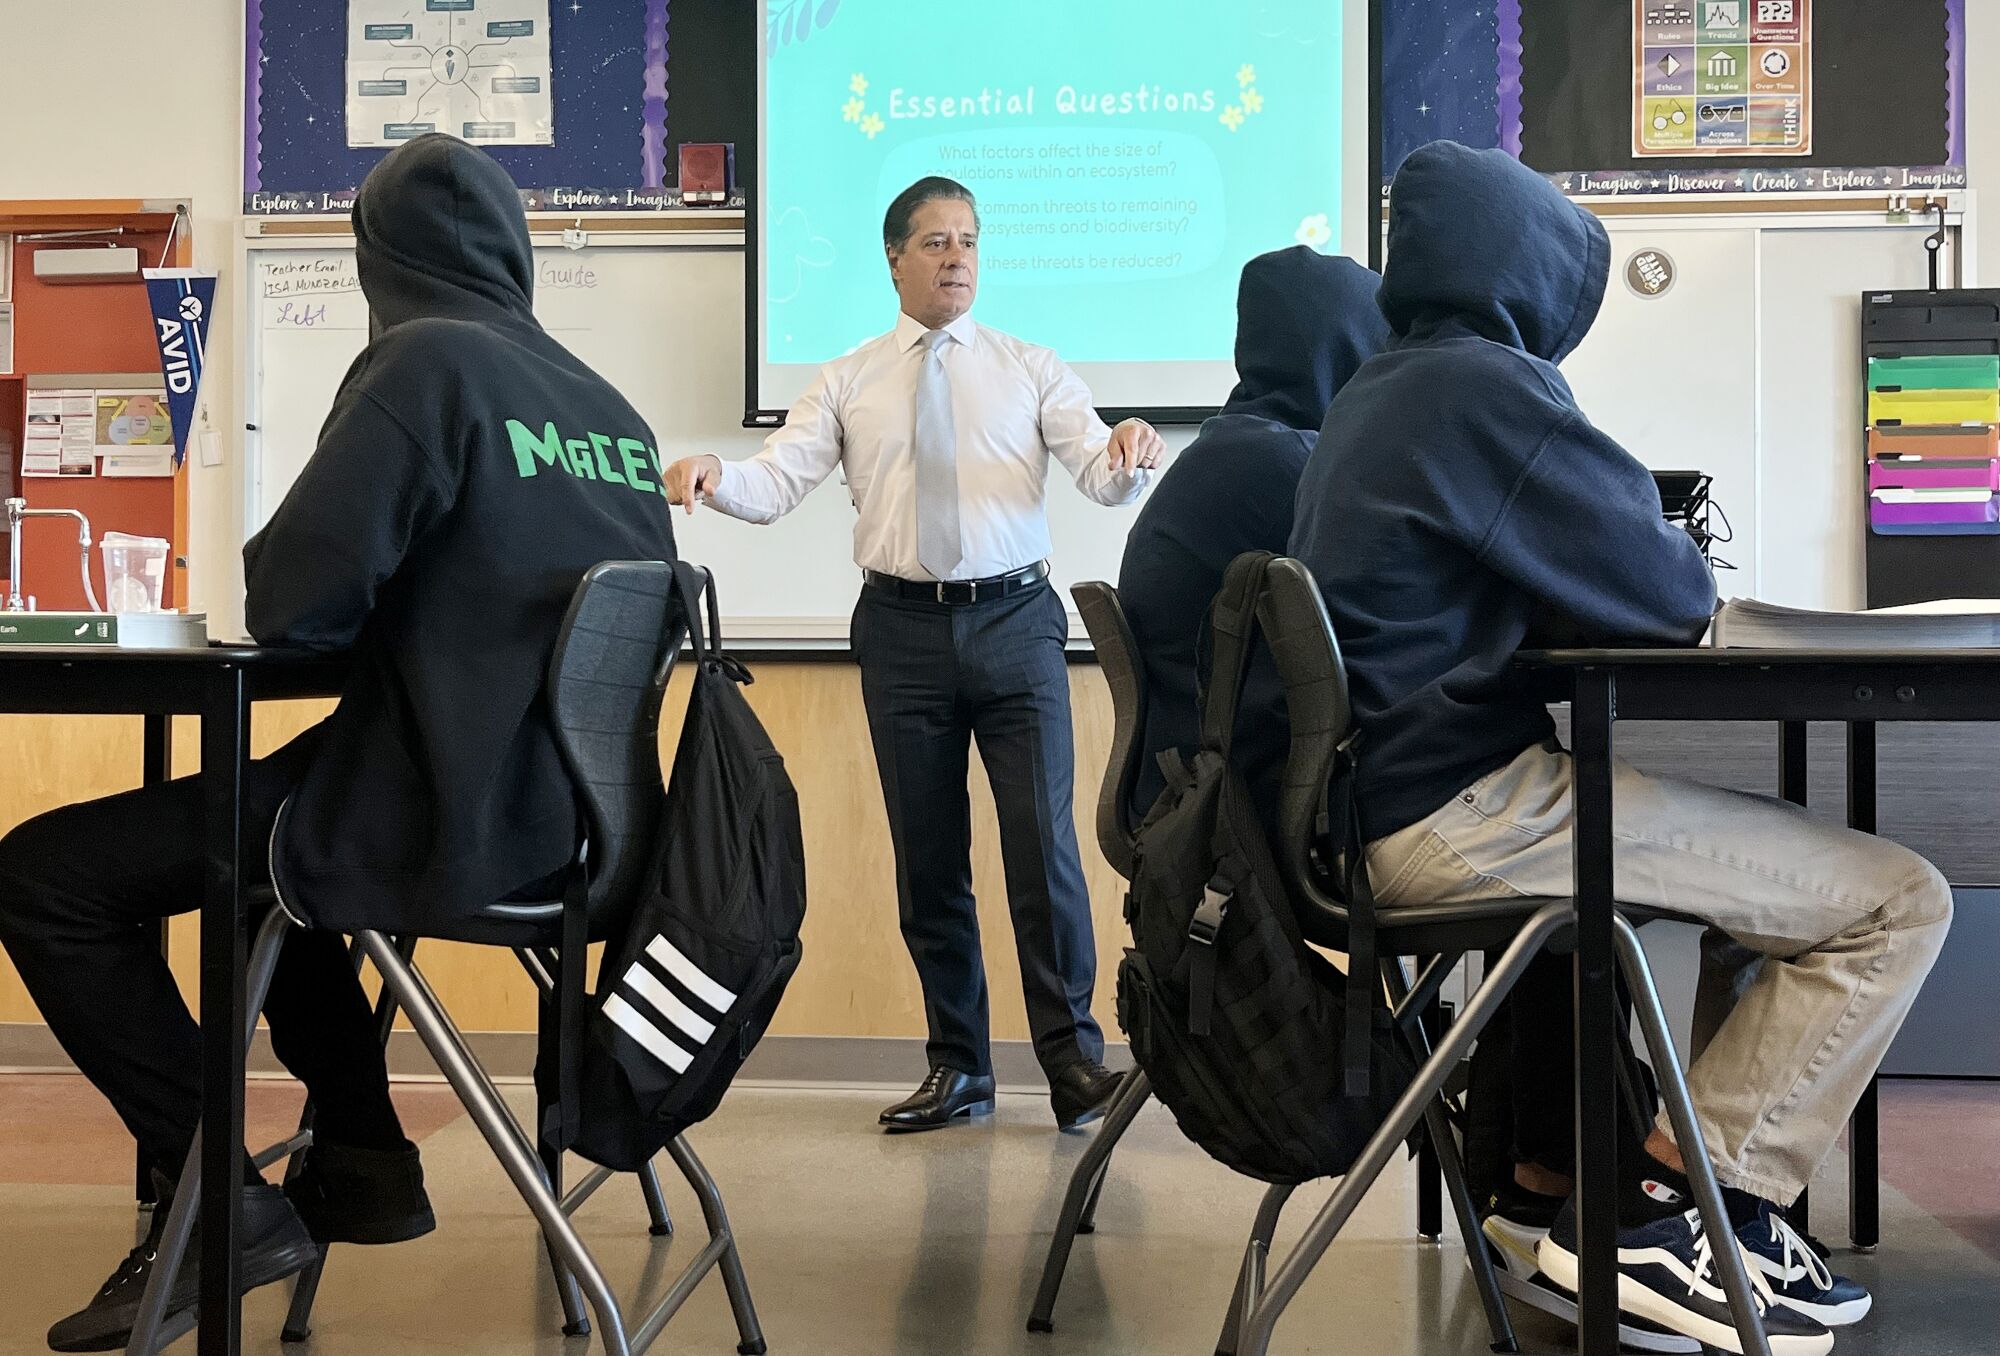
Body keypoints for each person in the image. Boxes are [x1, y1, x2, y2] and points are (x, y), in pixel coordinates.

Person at [0, 133, 681, 1351]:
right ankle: (363, 1154)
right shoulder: (606, 407)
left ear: (385, 261)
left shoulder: (423, 365)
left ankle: (220, 1196)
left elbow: (292, 604)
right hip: (563, 824)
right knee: (254, 846)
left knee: (45, 877)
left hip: (436, 810)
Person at [1289, 140, 1950, 1356]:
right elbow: (1663, 591)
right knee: (1894, 901)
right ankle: (1668, 1214)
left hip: (1380, 808)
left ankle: (1699, 1203)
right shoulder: (1484, 386)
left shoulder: (1379, 389)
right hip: (1459, 812)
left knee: (1776, 903)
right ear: (1532, 271)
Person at [663, 176, 1163, 1134]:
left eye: (968, 241)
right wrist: (717, 476)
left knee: (1043, 850)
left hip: (1016, 622)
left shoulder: (1028, 366)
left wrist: (1132, 450)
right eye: (935, 243)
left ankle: (1071, 1064)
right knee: (929, 860)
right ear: (894, 258)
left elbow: (1101, 475)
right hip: (900, 631)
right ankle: (959, 1067)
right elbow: (777, 483)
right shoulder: (849, 377)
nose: (957, 259)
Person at [1118, 246, 1387, 833]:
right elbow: (1384, 607)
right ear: (1343, 350)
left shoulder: (1230, 445)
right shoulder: (1289, 465)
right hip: (1244, 801)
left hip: (1182, 784)